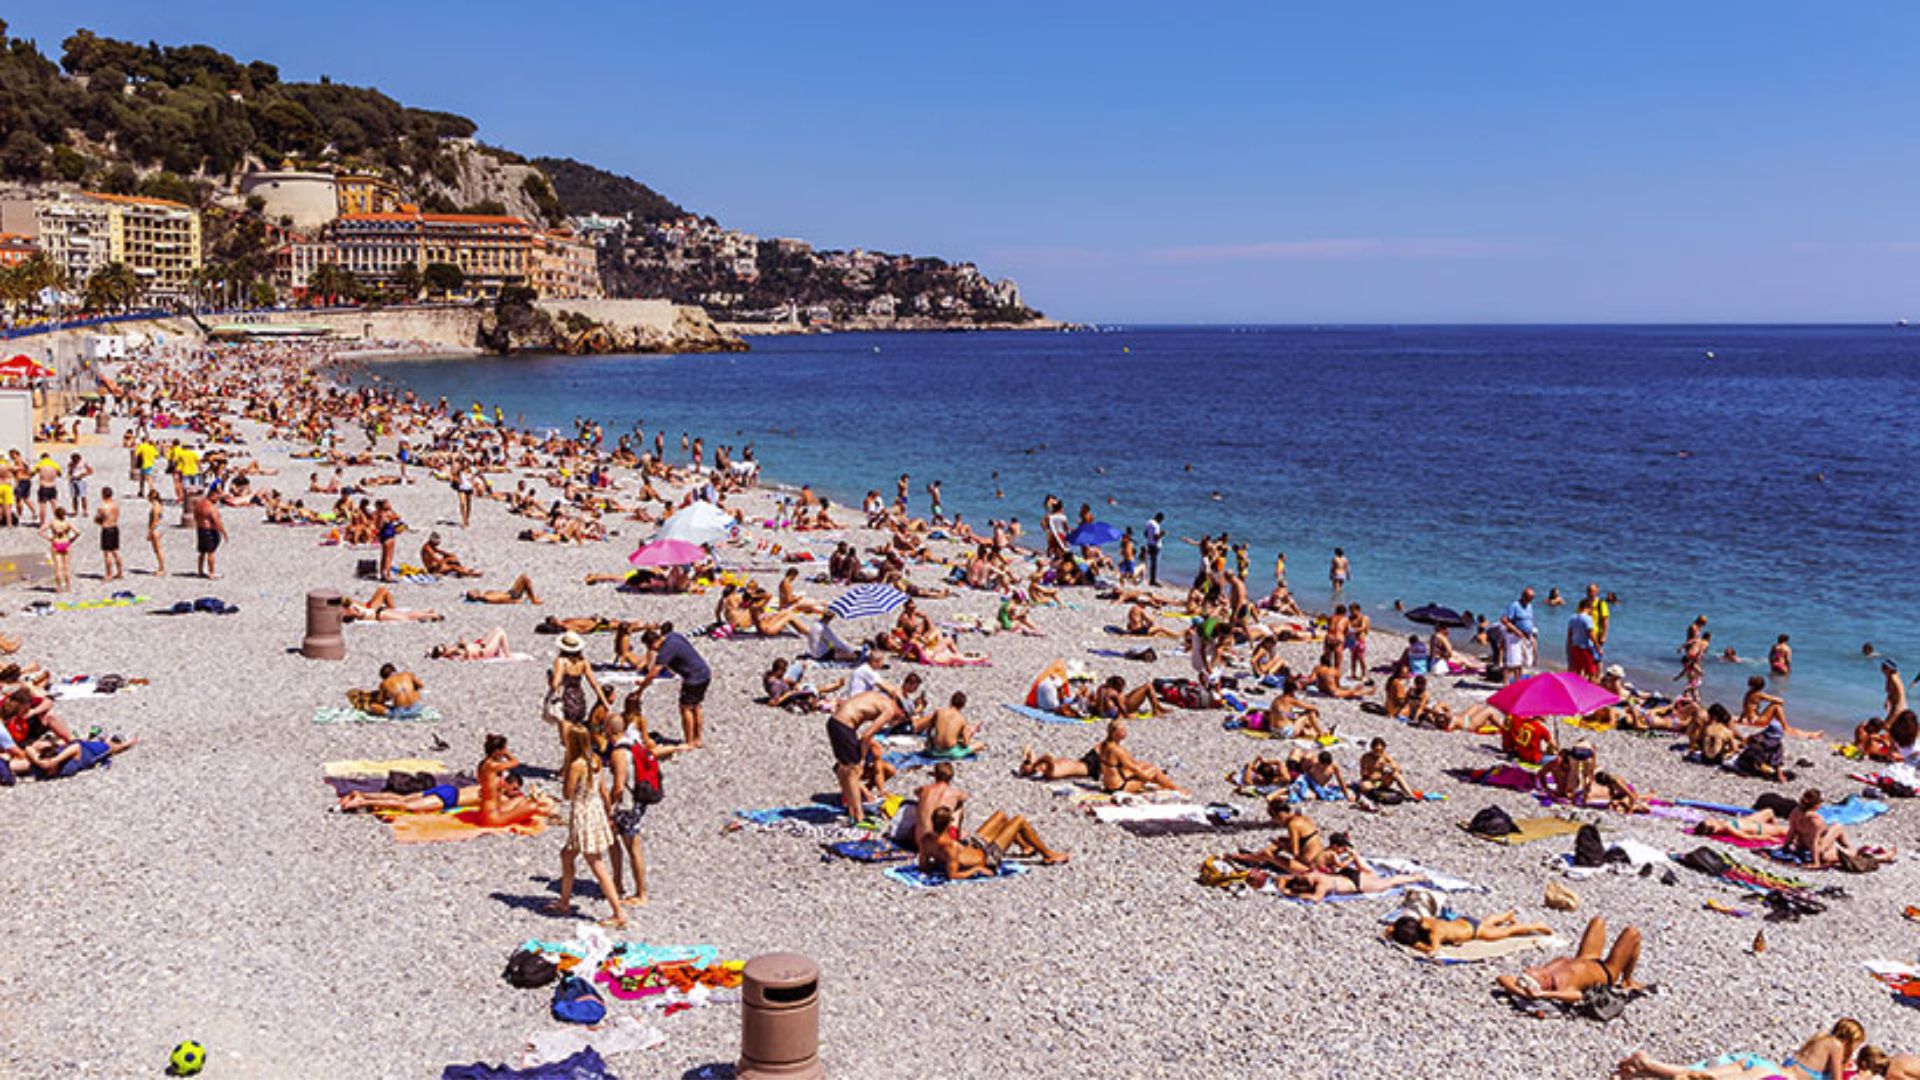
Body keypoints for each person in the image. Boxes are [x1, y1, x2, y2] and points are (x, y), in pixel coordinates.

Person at [546, 721, 626, 929]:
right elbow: (602, 790)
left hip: (583, 813)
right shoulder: (595, 760)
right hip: (595, 809)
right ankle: (564, 900)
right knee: (567, 855)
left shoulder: (576, 765)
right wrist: (608, 813)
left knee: (596, 863)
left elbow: (567, 793)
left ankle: (618, 912)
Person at [1615, 1018, 1866, 1080]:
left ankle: (1645, 1066)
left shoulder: (1818, 1039)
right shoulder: (1834, 1044)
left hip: (1758, 1064)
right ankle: (1644, 1066)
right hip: (1775, 1076)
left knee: (1694, 1074)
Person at [1497, 916, 1642, 1001]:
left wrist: (1524, 993)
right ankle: (1627, 979)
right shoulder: (1561, 986)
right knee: (1632, 933)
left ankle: (1628, 979)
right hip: (1607, 971)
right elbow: (1577, 995)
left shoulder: (1545, 973)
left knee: (1598, 921)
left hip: (1586, 957)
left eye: (1531, 970)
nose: (1532, 968)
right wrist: (1544, 995)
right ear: (1545, 982)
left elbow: (1502, 978)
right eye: (1538, 972)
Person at [915, 805, 1069, 879]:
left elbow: (923, 865)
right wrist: (975, 870)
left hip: (971, 845)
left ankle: (1026, 847)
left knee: (1001, 816)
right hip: (987, 856)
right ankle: (1048, 854)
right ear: (949, 824)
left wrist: (937, 862)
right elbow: (953, 874)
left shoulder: (926, 839)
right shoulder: (950, 847)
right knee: (1019, 821)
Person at [827, 690, 903, 824]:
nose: (896, 721)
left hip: (835, 721)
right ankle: (859, 816)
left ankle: (852, 812)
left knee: (844, 769)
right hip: (844, 725)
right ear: (901, 711)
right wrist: (861, 758)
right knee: (853, 771)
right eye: (900, 719)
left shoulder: (880, 698)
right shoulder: (889, 710)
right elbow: (867, 735)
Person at [638, 624, 712, 749]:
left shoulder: (665, 651)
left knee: (686, 708)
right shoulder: (673, 636)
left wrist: (641, 689)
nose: (653, 650)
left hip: (693, 678)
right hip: (704, 672)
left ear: (654, 643)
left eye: (650, 647)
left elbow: (653, 673)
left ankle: (689, 742)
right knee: (697, 706)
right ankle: (698, 739)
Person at [1390, 910, 1553, 954]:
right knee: (1487, 923)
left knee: (1506, 932)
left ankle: (1535, 926)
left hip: (1475, 932)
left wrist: (1417, 945)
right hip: (1465, 922)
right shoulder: (1426, 921)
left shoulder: (1435, 933)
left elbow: (1433, 950)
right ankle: (1506, 915)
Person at [1358, 738, 1417, 803]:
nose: (1378, 752)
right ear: (1372, 748)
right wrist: (1375, 776)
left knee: (1396, 775)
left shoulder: (1385, 757)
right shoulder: (1366, 758)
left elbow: (1399, 770)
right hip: (1373, 783)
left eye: (1381, 750)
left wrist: (1391, 767)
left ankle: (1410, 794)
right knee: (1365, 785)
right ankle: (1376, 796)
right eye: (1376, 750)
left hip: (1381, 782)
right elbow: (1364, 775)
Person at [1500, 587, 1537, 684]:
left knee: (1521, 663)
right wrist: (1516, 630)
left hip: (1526, 636)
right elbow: (1504, 620)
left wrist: (1531, 635)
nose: (1530, 600)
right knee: (1512, 662)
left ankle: (1517, 683)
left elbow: (1530, 620)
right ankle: (1506, 684)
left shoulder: (1529, 606)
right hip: (1514, 636)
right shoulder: (1515, 606)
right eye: (1529, 597)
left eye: (1532, 598)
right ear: (1523, 596)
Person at [359, 663, 424, 718]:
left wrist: (387, 695)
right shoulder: (408, 674)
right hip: (417, 708)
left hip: (400, 713)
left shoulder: (385, 683)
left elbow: (380, 700)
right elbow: (421, 685)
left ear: (384, 677)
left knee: (373, 706)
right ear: (394, 670)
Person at [40, 507, 78, 593]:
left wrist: (49, 538)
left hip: (56, 543)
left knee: (57, 568)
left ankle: (58, 588)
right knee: (66, 567)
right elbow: (78, 532)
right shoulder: (67, 523)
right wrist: (72, 539)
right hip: (65, 543)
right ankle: (68, 588)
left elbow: (40, 531)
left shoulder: (53, 523)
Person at [191, 492, 226, 579]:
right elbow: (216, 521)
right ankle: (212, 572)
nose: (217, 500)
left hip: (200, 529)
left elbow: (195, 516)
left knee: (202, 552)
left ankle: (200, 571)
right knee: (211, 552)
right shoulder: (211, 508)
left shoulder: (199, 504)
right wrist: (223, 532)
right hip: (209, 531)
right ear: (212, 496)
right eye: (216, 497)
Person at [1566, 598, 1599, 680]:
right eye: (1592, 608)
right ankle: (1589, 689)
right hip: (1585, 648)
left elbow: (1570, 634)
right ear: (1588, 607)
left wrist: (1569, 648)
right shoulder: (1587, 618)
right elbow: (1591, 634)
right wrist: (1598, 647)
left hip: (1575, 647)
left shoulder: (1572, 618)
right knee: (1591, 671)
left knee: (1578, 670)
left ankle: (1578, 687)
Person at [93, 486, 122, 582]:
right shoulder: (116, 505)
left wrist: (99, 522)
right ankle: (120, 572)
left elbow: (98, 519)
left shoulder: (102, 507)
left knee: (107, 553)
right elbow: (117, 516)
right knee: (116, 551)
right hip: (115, 527)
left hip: (106, 529)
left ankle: (109, 574)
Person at [464, 573, 540, 605]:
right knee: (524, 578)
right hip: (512, 596)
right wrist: (517, 602)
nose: (474, 589)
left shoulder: (485, 595)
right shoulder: (486, 598)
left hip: (509, 593)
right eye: (472, 592)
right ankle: (533, 599)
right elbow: (501, 600)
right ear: (475, 596)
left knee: (523, 577)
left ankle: (531, 597)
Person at [146, 487, 166, 576]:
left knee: (157, 550)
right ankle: (161, 567)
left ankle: (161, 568)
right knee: (157, 549)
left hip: (155, 529)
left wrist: (150, 532)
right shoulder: (159, 505)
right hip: (159, 528)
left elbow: (154, 521)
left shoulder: (155, 508)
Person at [1144, 512, 1164, 586]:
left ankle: (1151, 579)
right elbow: (1156, 537)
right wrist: (1162, 534)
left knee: (1152, 562)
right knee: (1154, 564)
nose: (1160, 522)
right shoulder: (1156, 525)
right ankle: (1153, 580)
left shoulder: (1148, 522)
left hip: (1149, 544)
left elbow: (1145, 533)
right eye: (1161, 520)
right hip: (1155, 546)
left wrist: (1150, 538)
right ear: (1159, 518)